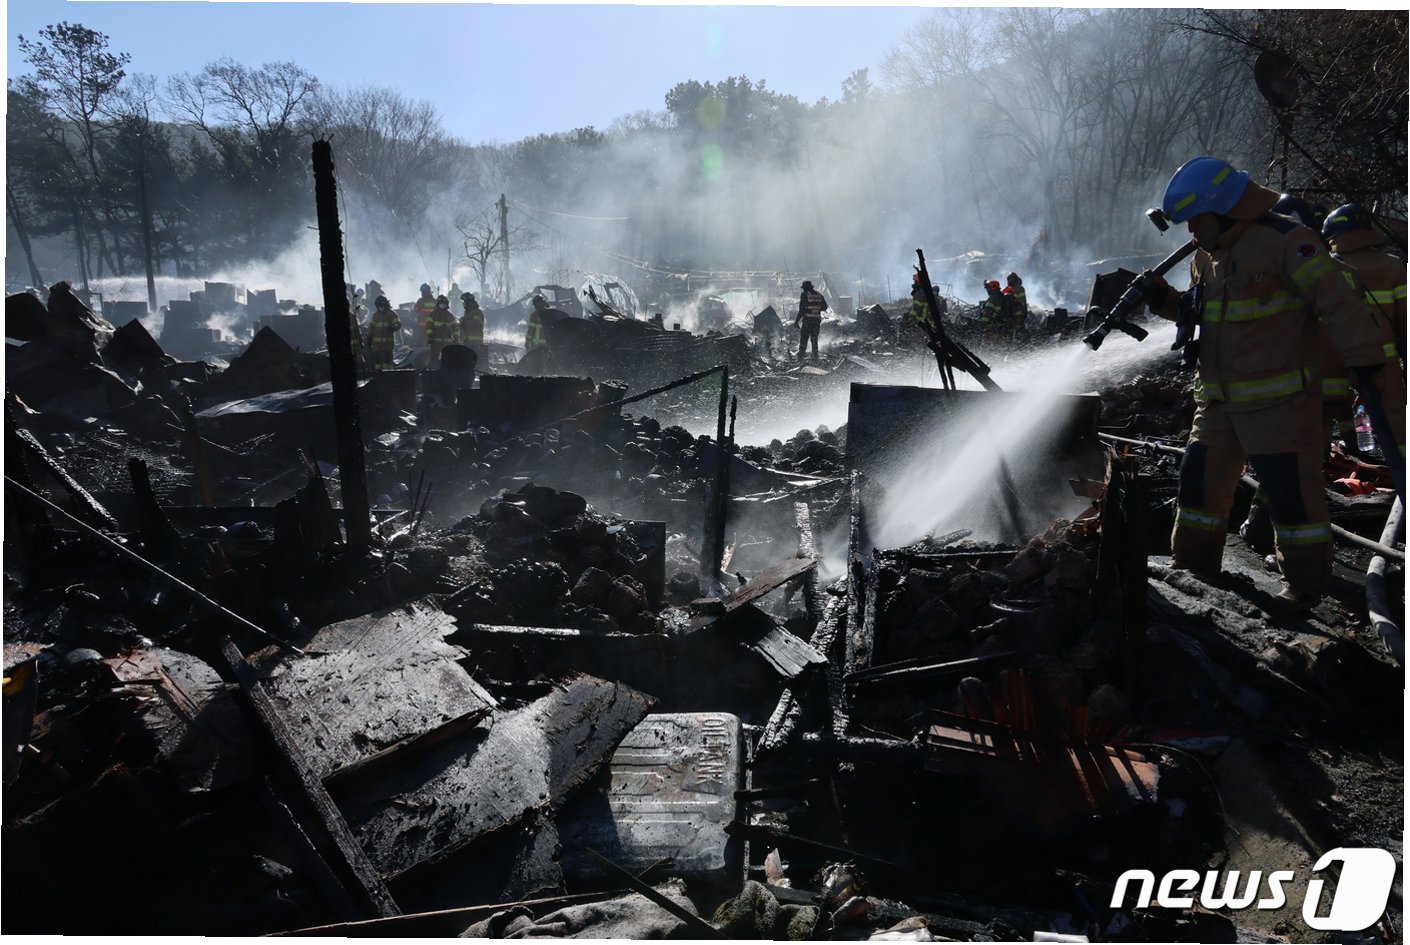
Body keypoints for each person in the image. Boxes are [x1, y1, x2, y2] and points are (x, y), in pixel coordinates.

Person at [1144, 156, 1395, 606]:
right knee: (1198, 488)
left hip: (1279, 404)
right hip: (1217, 403)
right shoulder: (1207, 256)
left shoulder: (1288, 241)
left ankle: (1304, 587)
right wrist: (1163, 300)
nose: (1191, 231)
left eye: (1197, 219)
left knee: (1291, 498)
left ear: (1224, 209)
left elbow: (1338, 304)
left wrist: (1365, 363)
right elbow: (1204, 316)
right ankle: (1194, 570)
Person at [794, 279, 828, 361]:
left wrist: (796, 321)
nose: (803, 290)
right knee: (814, 339)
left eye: (804, 288)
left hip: (808, 320)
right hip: (816, 321)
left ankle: (801, 357)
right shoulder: (819, 295)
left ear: (806, 288)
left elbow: (801, 310)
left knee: (804, 338)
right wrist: (816, 309)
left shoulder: (805, 295)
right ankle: (815, 357)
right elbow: (825, 307)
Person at [366, 294, 401, 370]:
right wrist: (369, 338)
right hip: (377, 344)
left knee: (387, 361)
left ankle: (388, 374)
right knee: (378, 361)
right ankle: (378, 374)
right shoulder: (376, 315)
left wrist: (393, 327)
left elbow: (397, 324)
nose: (381, 308)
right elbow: (372, 327)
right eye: (379, 306)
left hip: (388, 344)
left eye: (382, 306)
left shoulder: (391, 314)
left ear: (386, 305)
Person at [425, 294, 459, 364]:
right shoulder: (433, 314)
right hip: (435, 342)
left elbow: (455, 328)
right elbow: (429, 326)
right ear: (438, 304)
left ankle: (446, 370)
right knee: (434, 358)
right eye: (441, 303)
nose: (443, 305)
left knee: (448, 359)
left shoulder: (450, 315)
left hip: (447, 343)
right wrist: (430, 336)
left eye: (444, 304)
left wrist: (456, 339)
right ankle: (433, 369)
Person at [523, 295, 551, 373]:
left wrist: (527, 341)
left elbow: (531, 330)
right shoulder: (549, 314)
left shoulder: (534, 315)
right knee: (544, 365)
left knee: (534, 365)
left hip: (536, 345)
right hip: (547, 344)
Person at [460, 291, 486, 365]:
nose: (463, 304)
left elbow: (477, 322)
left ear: (468, 302)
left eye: (464, 302)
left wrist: (464, 322)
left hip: (475, 343)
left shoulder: (476, 312)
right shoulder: (468, 312)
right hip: (468, 342)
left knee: (475, 361)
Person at [1003, 272, 1028, 340]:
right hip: (1011, 313)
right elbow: (1001, 296)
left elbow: (1022, 302)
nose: (1010, 281)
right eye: (1009, 279)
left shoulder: (1019, 288)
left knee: (1017, 329)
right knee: (1012, 329)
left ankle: (1018, 341)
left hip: (1016, 313)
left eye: (1011, 279)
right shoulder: (1009, 288)